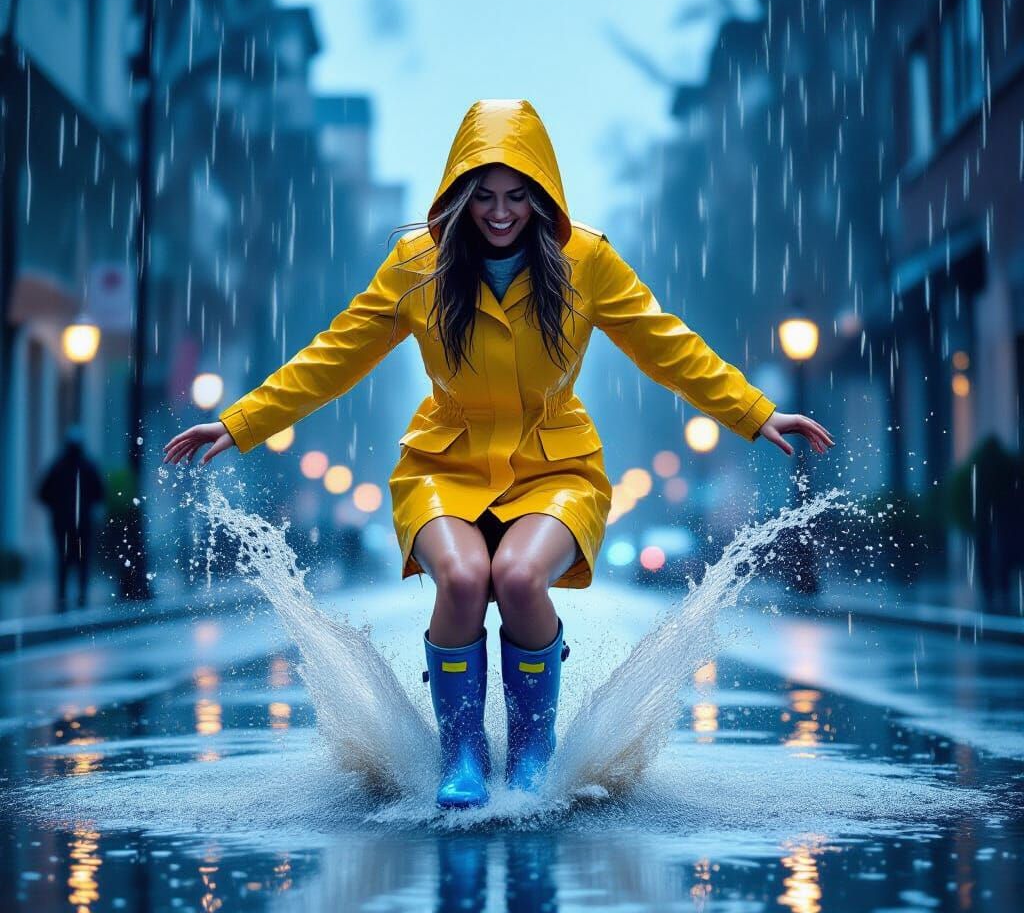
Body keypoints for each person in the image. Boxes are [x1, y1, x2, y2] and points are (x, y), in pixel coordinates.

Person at [163, 99, 834, 810]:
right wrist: (239, 423)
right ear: (457, 196)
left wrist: (755, 412)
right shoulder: (416, 265)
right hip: (442, 464)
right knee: (460, 578)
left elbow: (668, 346)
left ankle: (534, 752)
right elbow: (333, 357)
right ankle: (462, 754)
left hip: (557, 466)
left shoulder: (588, 262)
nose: (501, 212)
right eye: (482, 196)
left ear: (542, 195)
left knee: (516, 577)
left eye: (517, 196)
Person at [37, 425, 106, 612]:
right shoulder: (86, 466)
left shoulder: (59, 467)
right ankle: (79, 596)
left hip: (64, 523)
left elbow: (42, 493)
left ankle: (63, 596)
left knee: (64, 559)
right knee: (80, 560)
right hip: (80, 523)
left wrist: (58, 507)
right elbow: (100, 493)